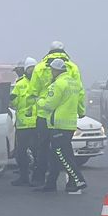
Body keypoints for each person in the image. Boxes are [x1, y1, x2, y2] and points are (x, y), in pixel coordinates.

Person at [39, 56, 87, 195]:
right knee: (56, 155)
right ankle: (50, 184)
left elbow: (49, 105)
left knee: (62, 155)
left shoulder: (58, 84)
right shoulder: (74, 83)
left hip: (58, 125)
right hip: (70, 124)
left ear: (55, 70)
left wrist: (39, 101)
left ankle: (78, 180)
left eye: (52, 70)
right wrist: (81, 112)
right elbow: (80, 101)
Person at [9, 58, 40, 186]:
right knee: (21, 153)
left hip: (37, 123)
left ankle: (38, 177)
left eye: (33, 68)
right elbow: (15, 103)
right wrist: (10, 99)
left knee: (38, 152)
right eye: (29, 68)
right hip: (23, 125)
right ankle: (24, 177)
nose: (31, 71)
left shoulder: (41, 83)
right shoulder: (20, 84)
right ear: (26, 69)